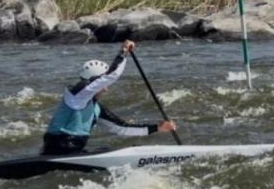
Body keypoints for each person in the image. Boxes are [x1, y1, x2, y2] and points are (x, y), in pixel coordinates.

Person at [41, 40, 177, 156]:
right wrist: (123, 52)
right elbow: (111, 76)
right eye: (103, 84)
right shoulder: (77, 93)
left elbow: (121, 128)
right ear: (94, 82)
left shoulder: (96, 108)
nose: (106, 88)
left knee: (105, 149)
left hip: (74, 152)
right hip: (55, 149)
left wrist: (157, 128)